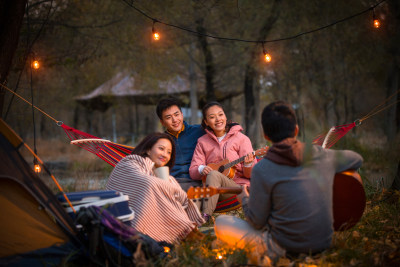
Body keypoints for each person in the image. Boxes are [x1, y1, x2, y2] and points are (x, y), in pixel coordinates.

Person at [214, 101, 363, 263]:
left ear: (266, 136)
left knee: (221, 222)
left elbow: (256, 222)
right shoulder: (321, 154)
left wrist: (244, 198)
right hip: (323, 243)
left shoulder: (262, 169)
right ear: (296, 129)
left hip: (283, 248)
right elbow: (356, 159)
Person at [106, 132, 205, 244]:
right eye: (161, 149)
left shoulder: (166, 177)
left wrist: (166, 185)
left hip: (152, 217)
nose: (165, 155)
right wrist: (169, 189)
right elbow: (148, 183)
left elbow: (181, 201)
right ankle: (188, 234)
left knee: (161, 194)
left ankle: (185, 235)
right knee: (152, 187)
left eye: (169, 152)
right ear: (148, 150)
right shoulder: (130, 162)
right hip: (119, 219)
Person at [189, 101, 255, 219]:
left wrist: (248, 163)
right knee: (194, 194)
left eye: (220, 114)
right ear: (206, 122)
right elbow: (193, 171)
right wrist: (202, 169)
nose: (218, 119)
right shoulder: (202, 142)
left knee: (214, 174)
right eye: (212, 117)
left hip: (236, 188)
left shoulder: (241, 139)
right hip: (213, 190)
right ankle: (189, 227)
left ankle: (206, 216)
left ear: (225, 116)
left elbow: (251, 174)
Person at [156, 97, 205, 191]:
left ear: (182, 115)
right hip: (172, 184)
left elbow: (221, 133)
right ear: (162, 122)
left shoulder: (199, 131)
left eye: (176, 114)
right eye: (168, 117)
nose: (174, 120)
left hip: (197, 181)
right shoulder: (160, 142)